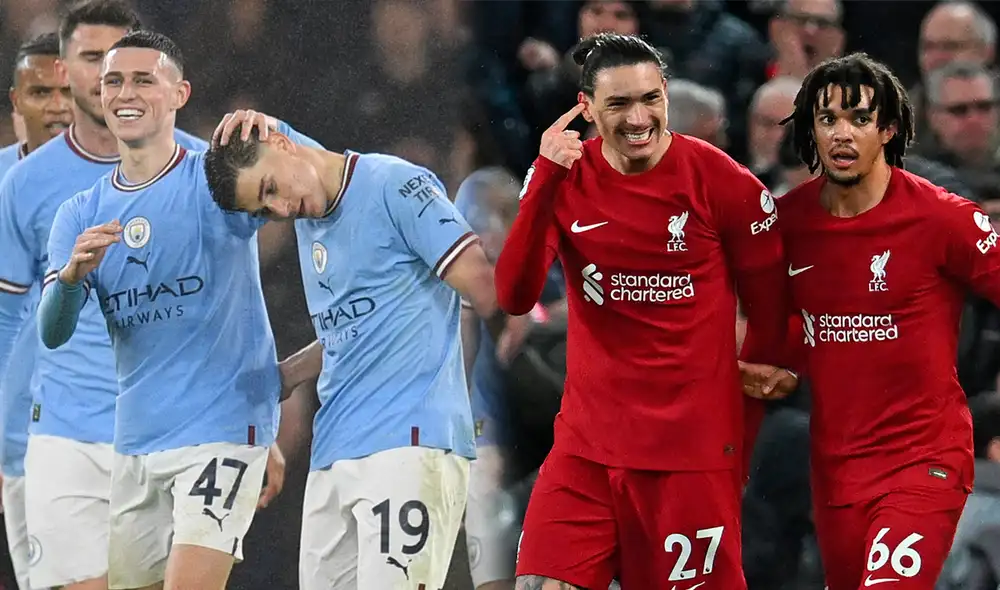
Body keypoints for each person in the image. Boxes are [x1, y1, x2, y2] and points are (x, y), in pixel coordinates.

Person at [494, 32, 792, 589]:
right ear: (586, 109)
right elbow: (513, 294)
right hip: (587, 448)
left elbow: (774, 308)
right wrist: (545, 181)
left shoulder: (719, 180)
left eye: (651, 99)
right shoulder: (564, 176)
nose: (639, 118)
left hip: (686, 457)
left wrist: (734, 435)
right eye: (619, 103)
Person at [202, 104, 515, 589]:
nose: (280, 209)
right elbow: (353, 331)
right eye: (264, 210)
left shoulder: (395, 186)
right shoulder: (308, 208)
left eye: (270, 189)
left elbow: (483, 286)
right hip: (335, 452)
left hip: (408, 443)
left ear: (283, 142)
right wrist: (286, 375)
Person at [741, 52, 1000, 590]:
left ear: (888, 128)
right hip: (835, 469)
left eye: (859, 118)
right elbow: (775, 331)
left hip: (924, 458)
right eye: (827, 118)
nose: (842, 133)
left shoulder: (944, 218)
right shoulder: (785, 225)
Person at [35, 30, 282, 590]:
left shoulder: (216, 177)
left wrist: (275, 133)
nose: (127, 92)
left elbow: (309, 188)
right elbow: (53, 331)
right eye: (114, 81)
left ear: (179, 93)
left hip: (222, 429)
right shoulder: (79, 214)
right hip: (139, 439)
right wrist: (73, 277)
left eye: (144, 79)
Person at [0, 4, 205, 590]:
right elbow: (8, 321)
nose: (110, 79)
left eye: (129, 66)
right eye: (95, 61)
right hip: (65, 434)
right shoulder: (28, 184)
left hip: (173, 431)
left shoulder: (199, 170)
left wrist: (251, 427)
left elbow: (227, 307)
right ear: (65, 68)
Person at [0, 31, 72, 590]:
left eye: (66, 91)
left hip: (87, 430)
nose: (56, 106)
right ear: (15, 102)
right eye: (39, 91)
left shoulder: (119, 182)